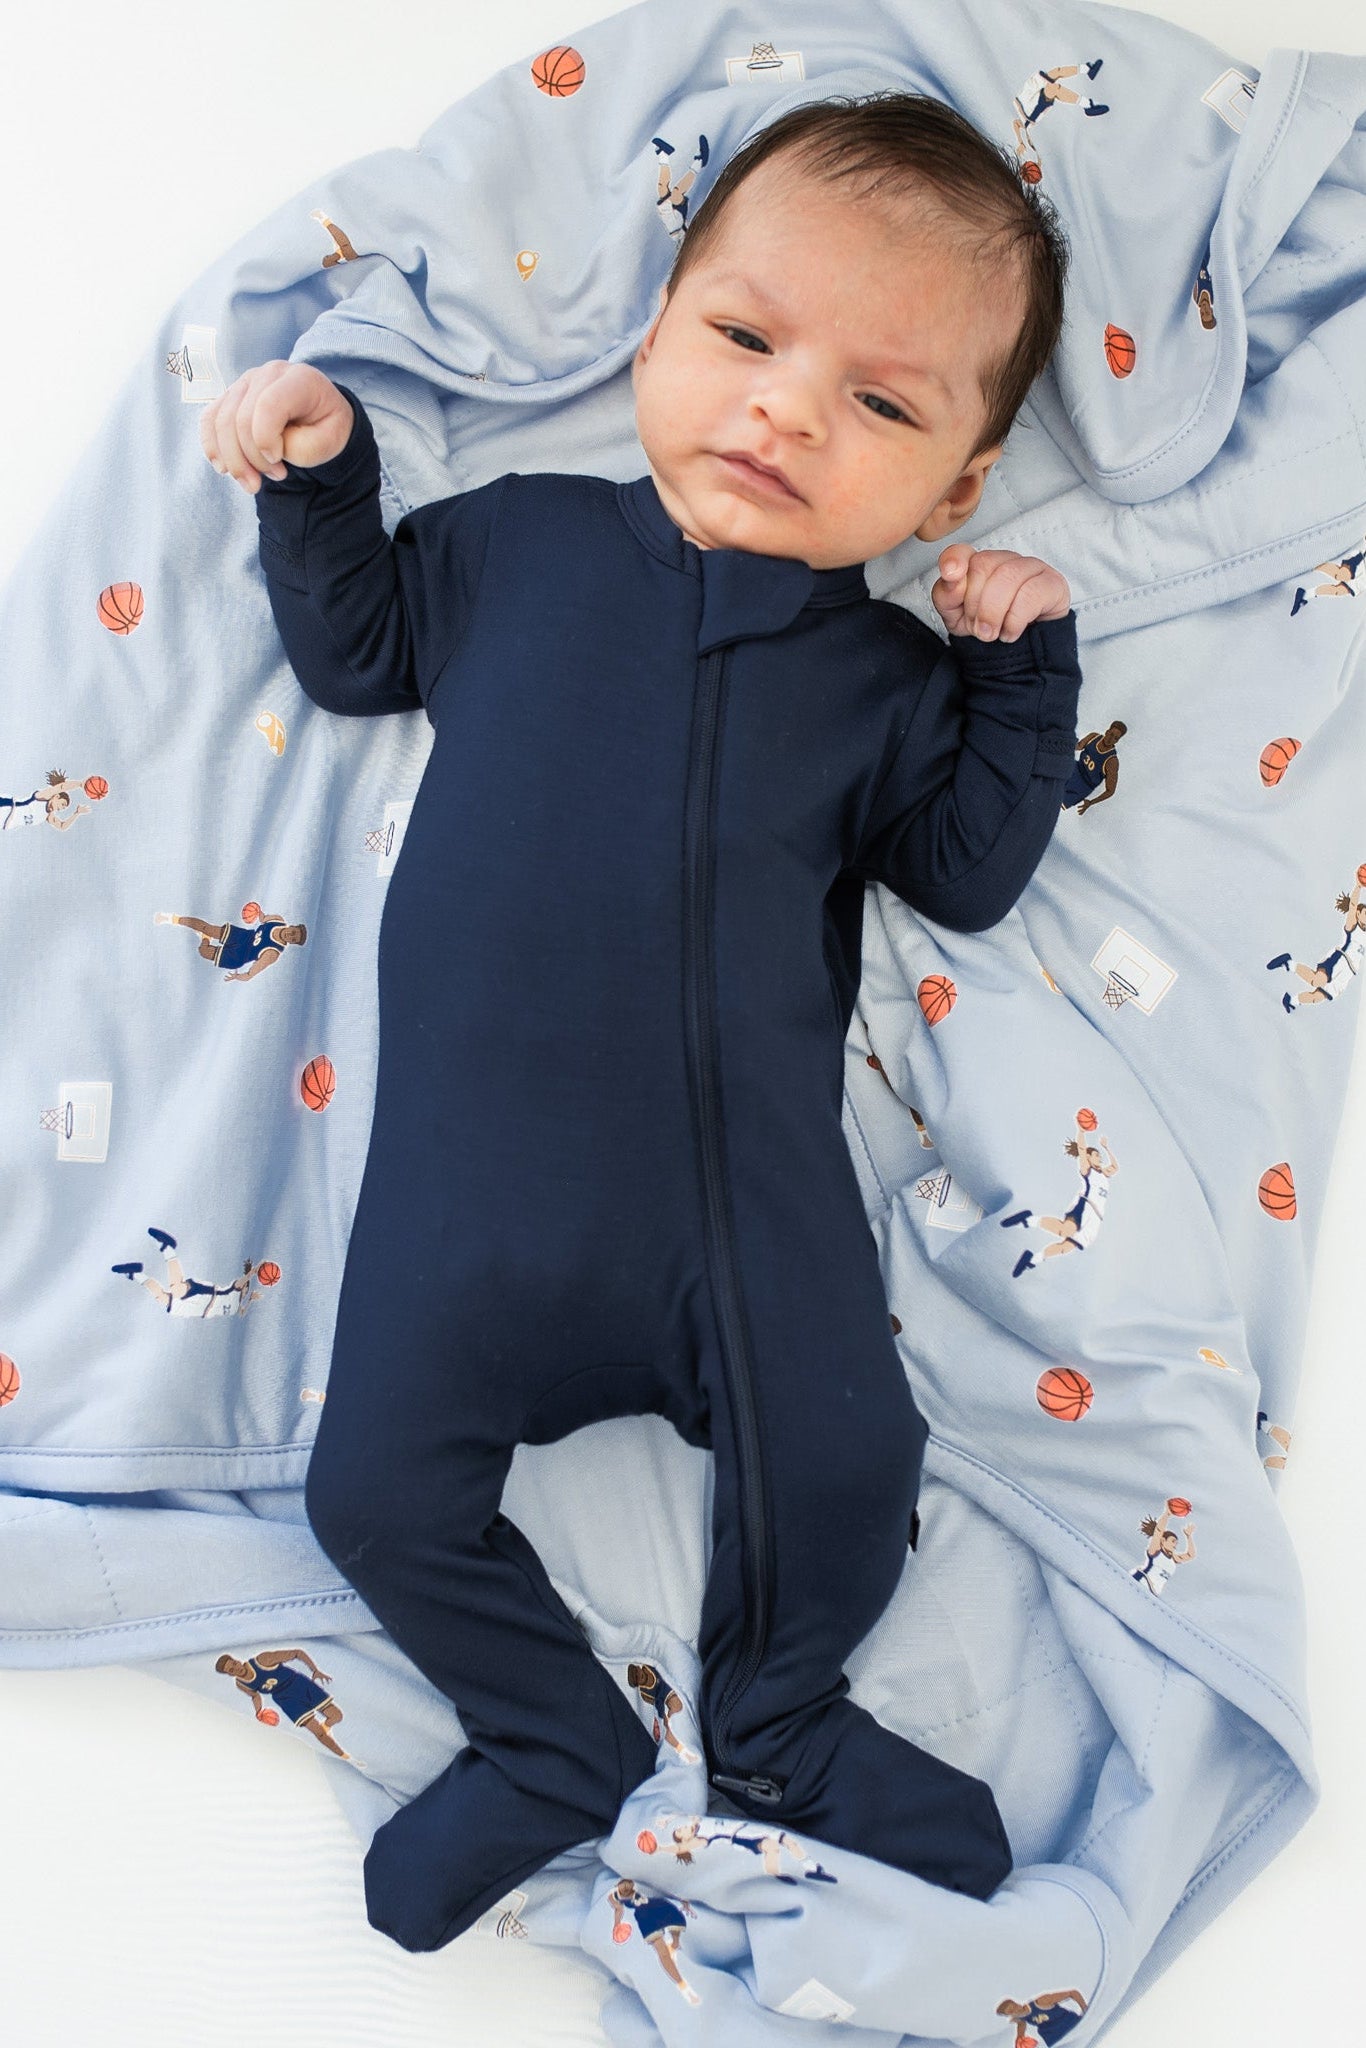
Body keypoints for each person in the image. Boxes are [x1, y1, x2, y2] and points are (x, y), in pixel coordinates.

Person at [200, 90, 1082, 1954]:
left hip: (737, 1210)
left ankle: (774, 1727)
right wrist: (322, 476)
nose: (784, 409)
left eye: (882, 401)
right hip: (472, 1209)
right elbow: (354, 644)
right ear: (655, 330)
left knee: (850, 1463)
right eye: (747, 340)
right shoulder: (515, 544)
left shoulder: (885, 678)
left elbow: (965, 872)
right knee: (369, 1489)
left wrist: (1018, 679)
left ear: (953, 495)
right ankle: (545, 1740)